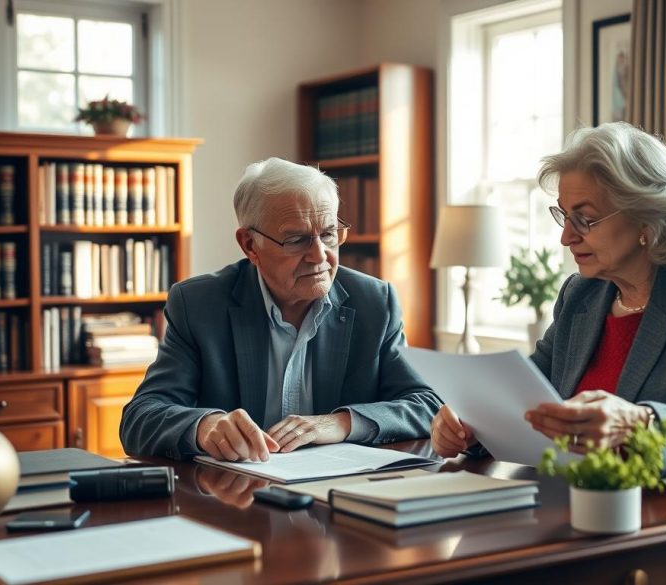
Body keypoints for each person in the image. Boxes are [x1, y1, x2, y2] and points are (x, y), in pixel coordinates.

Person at [430, 122, 666, 507]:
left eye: (585, 218)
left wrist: (636, 423)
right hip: (591, 509)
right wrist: (472, 422)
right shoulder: (582, 294)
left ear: (646, 218)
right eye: (564, 216)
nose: (566, 237)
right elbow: (526, 397)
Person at [121, 157, 441, 461]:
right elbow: (140, 417)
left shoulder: (374, 302)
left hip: (342, 493)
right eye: (297, 240)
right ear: (250, 245)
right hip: (240, 498)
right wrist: (205, 426)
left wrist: (340, 423)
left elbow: (427, 405)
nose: (320, 256)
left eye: (329, 234)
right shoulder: (199, 305)